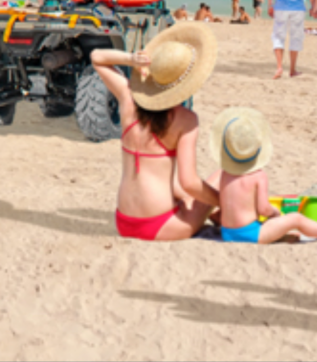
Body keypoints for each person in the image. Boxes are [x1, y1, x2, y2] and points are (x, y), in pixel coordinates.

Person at [88, 24, 220, 241]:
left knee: (183, 191)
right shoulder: (186, 120)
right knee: (220, 179)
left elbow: (97, 57)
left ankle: (217, 212)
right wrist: (220, 200)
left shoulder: (127, 97)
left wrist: (131, 59)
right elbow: (190, 182)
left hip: (123, 221)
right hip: (160, 224)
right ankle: (225, 214)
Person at [209, 108, 317, 244]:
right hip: (251, 235)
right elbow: (264, 210)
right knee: (296, 219)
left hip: (227, 233)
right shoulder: (258, 176)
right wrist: (276, 212)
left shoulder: (225, 173)